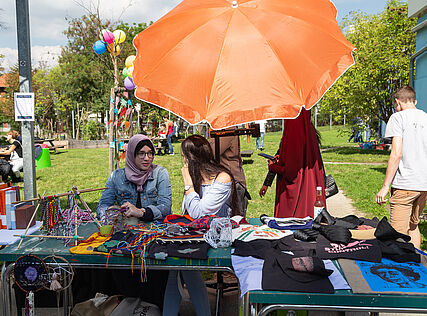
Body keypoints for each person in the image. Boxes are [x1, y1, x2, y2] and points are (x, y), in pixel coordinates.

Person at [163, 135, 238, 316]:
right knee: (177, 269)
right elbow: (188, 211)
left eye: (184, 157)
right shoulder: (198, 177)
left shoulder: (223, 178)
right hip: (196, 235)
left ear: (190, 159)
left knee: (182, 267)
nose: (183, 162)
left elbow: (200, 213)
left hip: (218, 239)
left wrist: (188, 184)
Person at [96, 134, 172, 310]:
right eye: (141, 154)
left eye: (150, 153)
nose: (147, 158)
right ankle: (127, 306)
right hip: (126, 236)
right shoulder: (117, 176)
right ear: (131, 154)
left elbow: (166, 207)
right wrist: (111, 214)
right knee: (120, 269)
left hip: (154, 235)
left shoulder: (160, 173)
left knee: (155, 275)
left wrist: (141, 212)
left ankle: (152, 308)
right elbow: (102, 205)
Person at [376, 86, 427, 249]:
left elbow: (396, 154)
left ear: (397, 102)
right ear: (414, 101)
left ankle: (403, 272)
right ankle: (419, 265)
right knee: (413, 226)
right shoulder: (426, 118)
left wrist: (385, 187)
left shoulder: (397, 118)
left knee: (397, 234)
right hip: (424, 185)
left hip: (405, 184)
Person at [262, 109, 325, 218]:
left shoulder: (294, 127)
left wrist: (273, 167)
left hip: (295, 204)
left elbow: (292, 173)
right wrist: (283, 157)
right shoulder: (308, 130)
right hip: (310, 194)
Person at [209, 131, 250, 217]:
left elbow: (211, 153)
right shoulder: (221, 127)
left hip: (233, 182)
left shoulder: (226, 128)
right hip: (227, 180)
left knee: (235, 221)